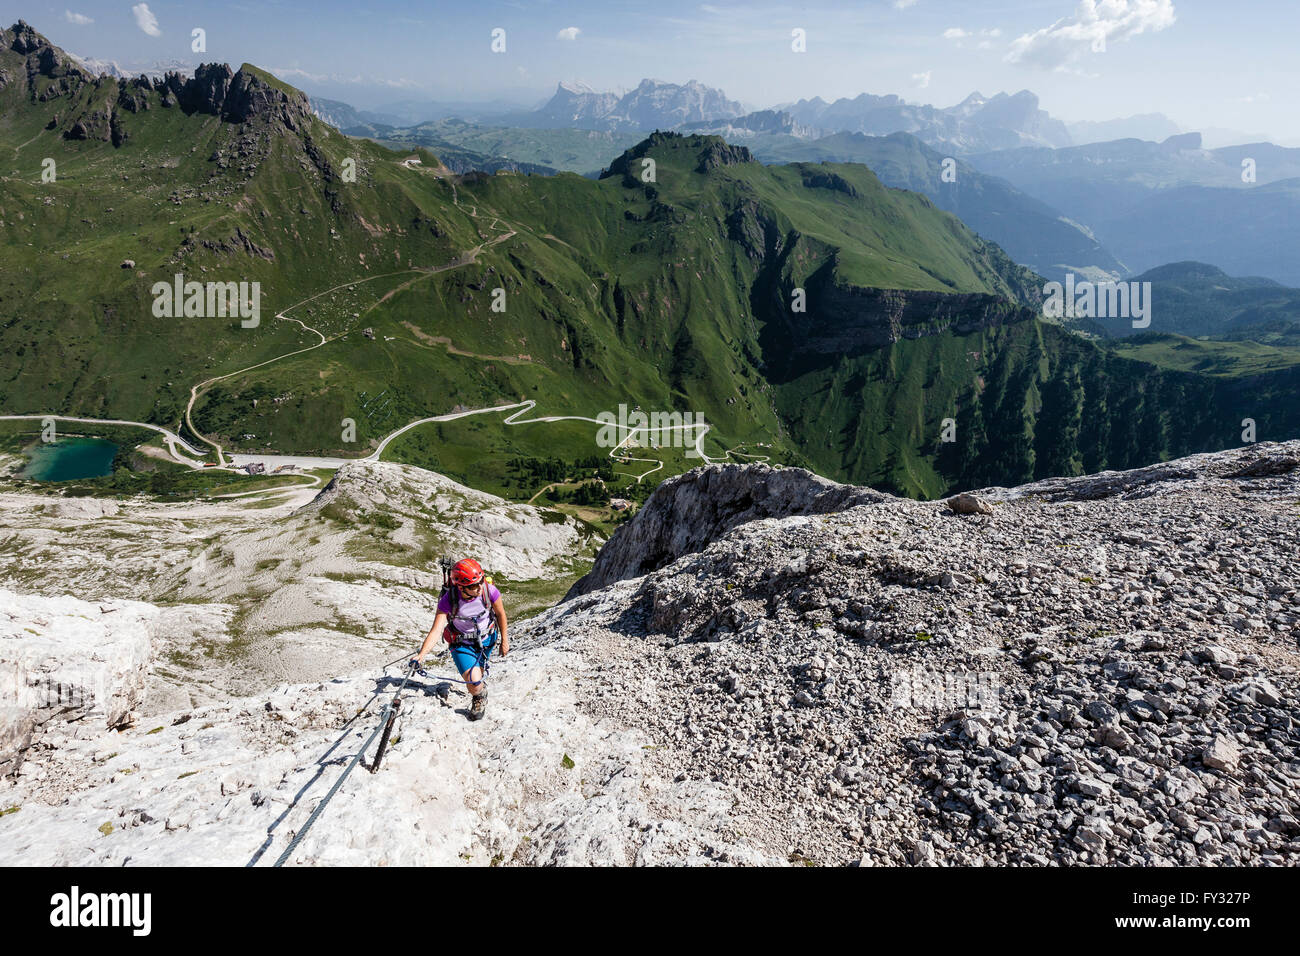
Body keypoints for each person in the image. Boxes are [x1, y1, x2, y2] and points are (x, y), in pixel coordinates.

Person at [411, 558, 508, 721]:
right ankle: (479, 695)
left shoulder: (489, 591)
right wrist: (422, 655)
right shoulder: (448, 600)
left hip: (487, 640)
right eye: (472, 586)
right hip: (461, 644)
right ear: (461, 587)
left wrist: (505, 639)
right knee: (474, 683)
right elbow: (436, 630)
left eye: (480, 582)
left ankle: (479, 686)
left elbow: (500, 614)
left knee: (479, 673)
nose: (478, 588)